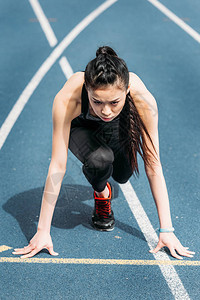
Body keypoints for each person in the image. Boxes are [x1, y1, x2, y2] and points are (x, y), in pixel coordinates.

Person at [13, 46, 195, 260]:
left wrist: (167, 231)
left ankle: (109, 171)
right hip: (81, 129)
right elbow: (57, 166)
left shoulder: (144, 101)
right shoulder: (68, 99)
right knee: (101, 160)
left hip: (119, 127)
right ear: (87, 90)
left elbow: (153, 166)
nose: (106, 110)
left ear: (126, 91)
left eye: (114, 102)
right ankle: (102, 193)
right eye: (97, 101)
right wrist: (43, 231)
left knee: (122, 175)